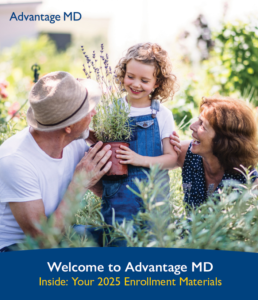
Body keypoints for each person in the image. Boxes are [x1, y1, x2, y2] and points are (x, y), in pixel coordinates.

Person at [0, 71, 114, 252]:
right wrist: (79, 184)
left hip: (59, 237)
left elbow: (104, 191)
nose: (94, 112)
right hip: (16, 251)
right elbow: (42, 242)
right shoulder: (15, 160)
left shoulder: (73, 142)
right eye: (87, 110)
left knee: (116, 239)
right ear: (68, 126)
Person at [99, 43, 179, 229]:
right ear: (123, 74)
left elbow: (171, 158)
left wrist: (138, 159)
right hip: (118, 194)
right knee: (119, 240)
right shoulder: (112, 109)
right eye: (130, 77)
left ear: (156, 83)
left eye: (144, 80)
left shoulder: (161, 114)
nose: (135, 84)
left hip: (154, 196)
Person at [169, 96, 258, 209]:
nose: (192, 127)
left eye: (202, 125)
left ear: (222, 140)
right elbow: (147, 167)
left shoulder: (249, 182)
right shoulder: (186, 153)